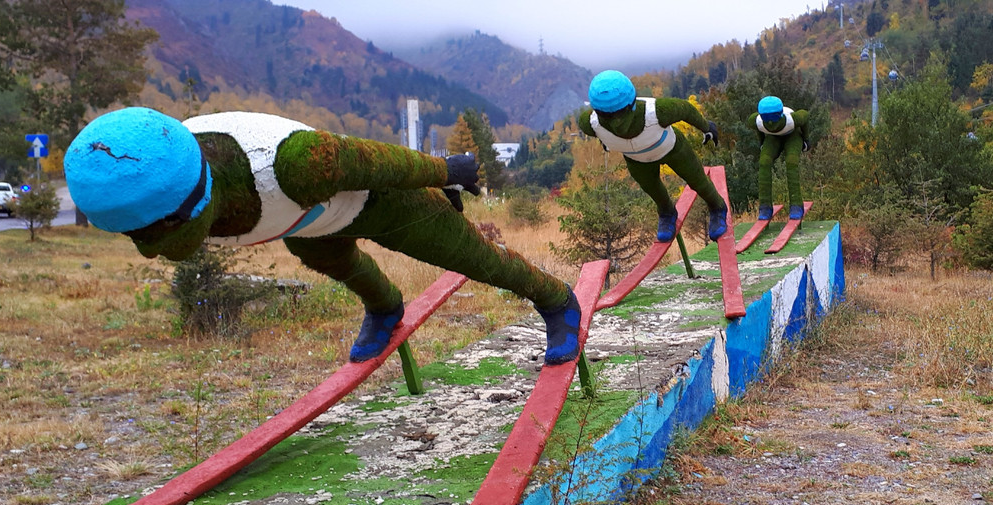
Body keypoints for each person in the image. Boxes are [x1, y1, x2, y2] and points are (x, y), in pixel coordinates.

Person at [64, 107, 580, 365]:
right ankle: (384, 307)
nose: (153, 250)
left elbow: (374, 159)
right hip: (306, 222)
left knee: (478, 259)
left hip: (378, 201)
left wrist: (445, 170)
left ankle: (556, 301)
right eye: (137, 236)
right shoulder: (152, 163)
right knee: (334, 265)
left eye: (168, 230)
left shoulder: (292, 165)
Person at [578, 70, 728, 243]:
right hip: (637, 160)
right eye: (606, 116)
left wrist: (706, 127)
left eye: (621, 113)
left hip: (673, 149)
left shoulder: (656, 112)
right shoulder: (590, 124)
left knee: (698, 181)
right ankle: (666, 211)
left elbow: (685, 109)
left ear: (632, 105)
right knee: (653, 189)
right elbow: (684, 109)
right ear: (597, 112)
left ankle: (717, 206)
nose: (616, 123)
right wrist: (605, 139)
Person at [752, 95, 810, 220]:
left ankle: (796, 204)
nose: (771, 123)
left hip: (792, 135)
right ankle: (765, 206)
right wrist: (762, 142)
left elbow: (804, 117)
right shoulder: (757, 121)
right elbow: (758, 128)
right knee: (764, 162)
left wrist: (806, 140)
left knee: (791, 161)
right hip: (772, 138)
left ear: (781, 115)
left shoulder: (792, 119)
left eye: (773, 119)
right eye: (767, 120)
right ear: (762, 117)